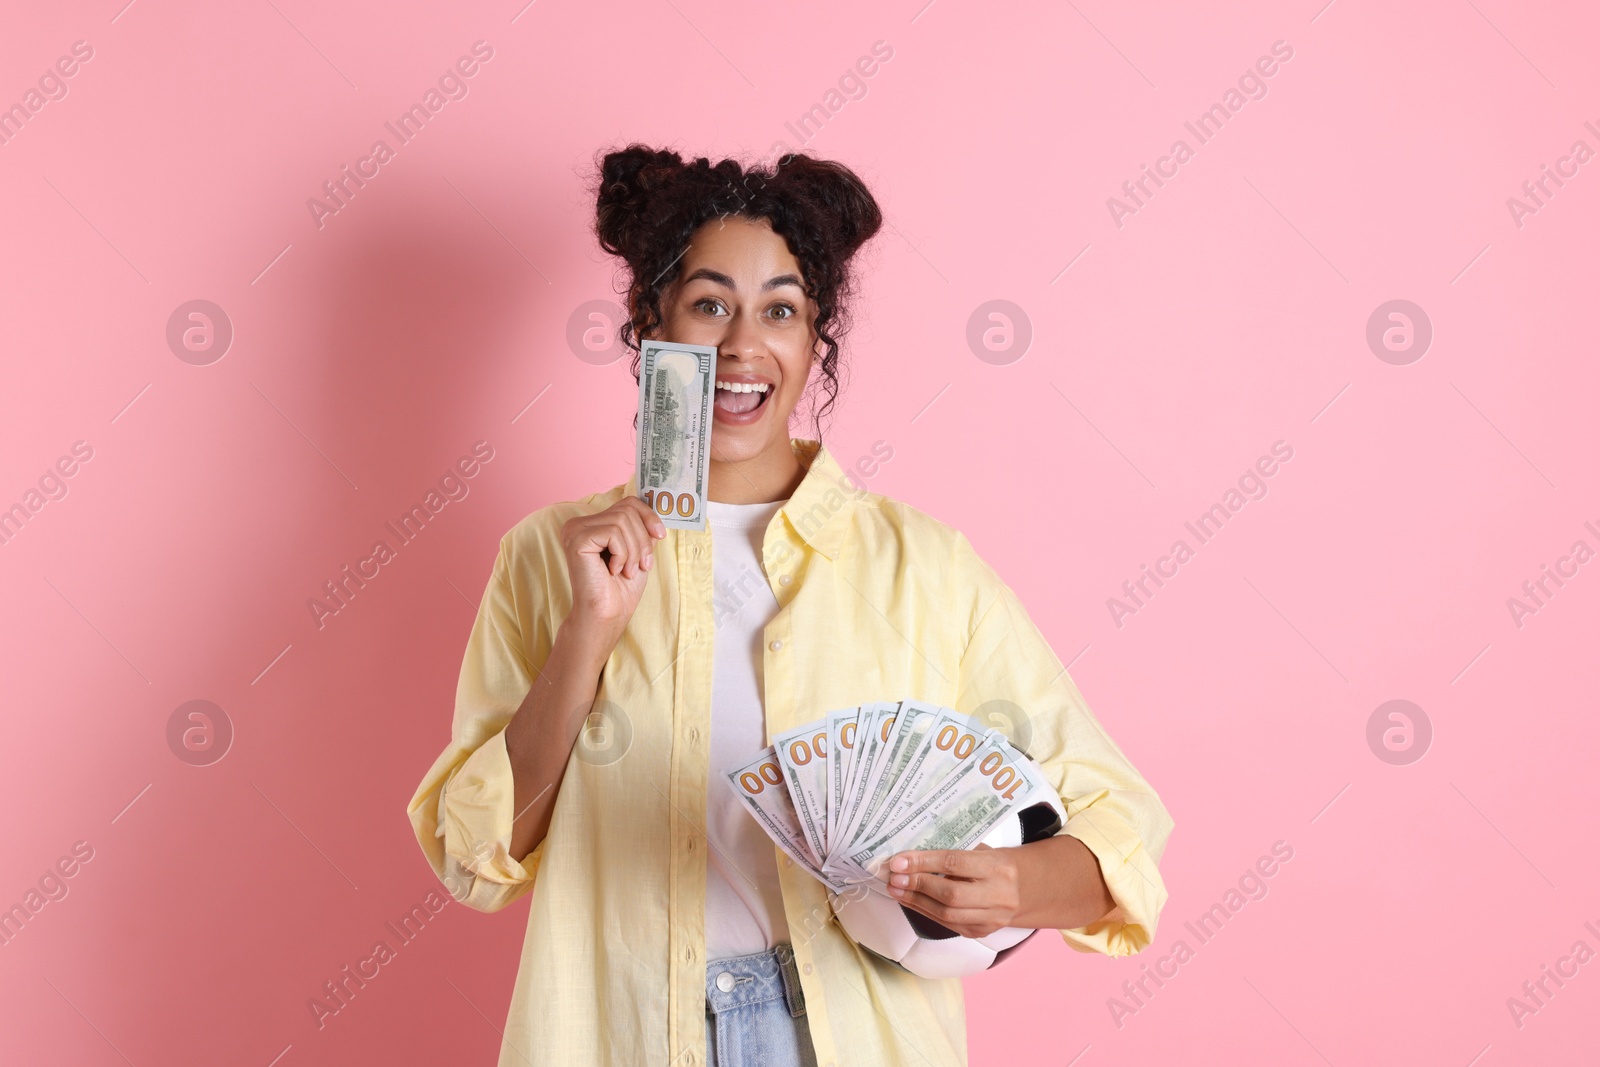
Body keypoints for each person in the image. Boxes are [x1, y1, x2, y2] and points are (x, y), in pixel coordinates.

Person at [407, 145, 1174, 1067]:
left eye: (779, 309)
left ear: (817, 342)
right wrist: (589, 634)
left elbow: (1117, 832)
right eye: (709, 302)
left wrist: (1009, 886)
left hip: (850, 1032)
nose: (741, 343)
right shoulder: (550, 555)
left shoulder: (923, 568)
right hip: (625, 1031)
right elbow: (473, 856)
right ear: (654, 323)